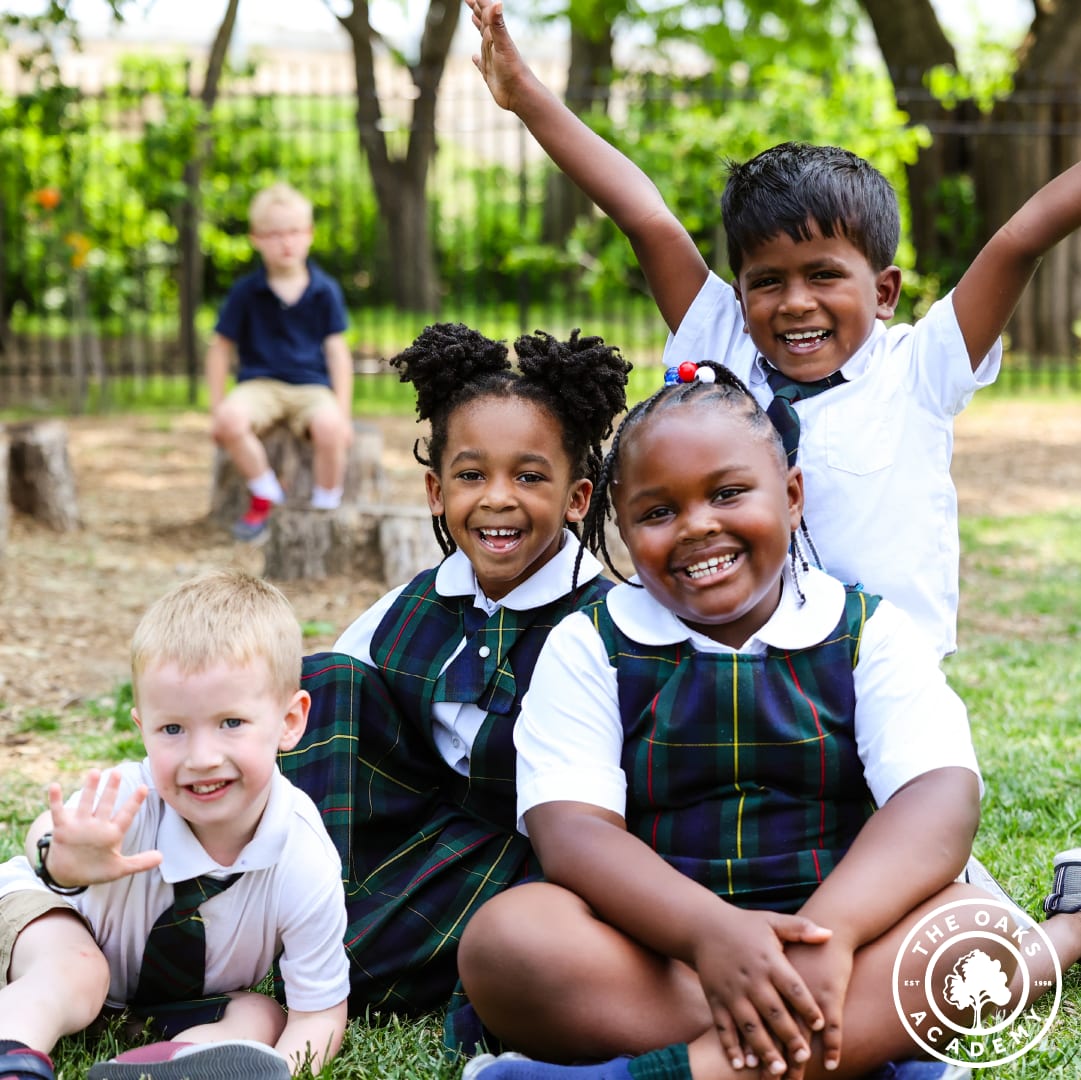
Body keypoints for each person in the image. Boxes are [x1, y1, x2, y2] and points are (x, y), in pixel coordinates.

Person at [448, 363, 1070, 1080]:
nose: (697, 526)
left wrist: (830, 939)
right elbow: (572, 833)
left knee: (965, 930)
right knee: (508, 939)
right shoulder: (592, 644)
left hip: (847, 939)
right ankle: (856, 1051)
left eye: (727, 493)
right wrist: (710, 934)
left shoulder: (867, 632)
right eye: (656, 512)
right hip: (663, 952)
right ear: (619, 530)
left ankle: (641, 1075)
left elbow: (936, 800)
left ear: (793, 496)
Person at [467, 0, 1081, 661]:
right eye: (766, 282)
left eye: (822, 276)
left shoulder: (920, 367)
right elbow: (641, 214)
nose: (793, 303)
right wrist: (523, 94)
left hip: (877, 665)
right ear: (738, 293)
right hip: (731, 660)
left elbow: (1020, 239)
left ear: (882, 292)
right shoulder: (721, 344)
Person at [278, 321, 630, 1016]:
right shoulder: (416, 603)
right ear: (437, 492)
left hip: (526, 854)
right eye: (472, 476)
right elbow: (322, 721)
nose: (497, 498)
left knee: (361, 962)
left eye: (529, 477)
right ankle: (289, 892)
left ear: (576, 498)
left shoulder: (606, 627)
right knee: (323, 683)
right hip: (408, 828)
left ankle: (338, 951)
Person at [0, 570, 349, 1080]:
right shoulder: (131, 797)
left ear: (290, 721)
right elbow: (41, 839)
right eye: (172, 729)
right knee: (78, 968)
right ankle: (14, 1056)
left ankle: (158, 1068)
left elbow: (318, 1013)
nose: (202, 758)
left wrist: (289, 1070)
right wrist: (62, 860)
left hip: (140, 1006)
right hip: (43, 936)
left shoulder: (304, 855)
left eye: (231, 723)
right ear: (143, 729)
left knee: (260, 1014)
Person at [206, 182, 354, 543]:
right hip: (260, 385)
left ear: (309, 235)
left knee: (331, 429)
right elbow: (220, 347)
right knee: (230, 420)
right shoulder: (246, 292)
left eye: (293, 232)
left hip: (311, 387)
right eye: (274, 234)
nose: (285, 242)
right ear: (256, 238)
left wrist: (344, 413)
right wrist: (215, 407)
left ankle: (324, 507)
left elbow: (337, 352)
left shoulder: (324, 290)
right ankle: (266, 493)